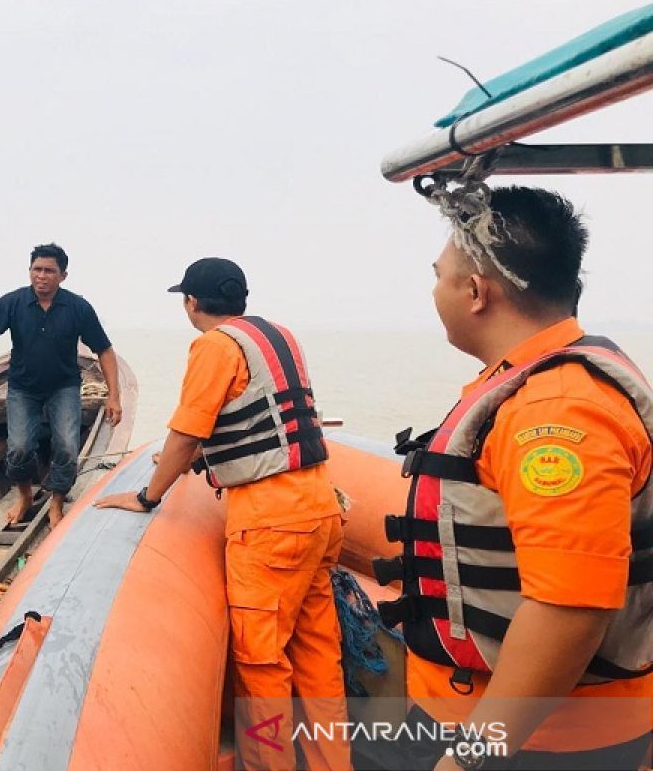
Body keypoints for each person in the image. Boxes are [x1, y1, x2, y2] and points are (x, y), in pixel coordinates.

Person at [375, 185, 653, 770]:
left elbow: (569, 610)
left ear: (476, 292)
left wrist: (472, 755)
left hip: (534, 742)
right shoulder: (534, 383)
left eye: (439, 276)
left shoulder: (554, 411)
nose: (434, 291)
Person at [95, 258, 349, 771]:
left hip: (270, 520)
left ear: (192, 303)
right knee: (320, 654)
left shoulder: (214, 346)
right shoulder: (279, 336)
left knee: (262, 662)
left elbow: (188, 431)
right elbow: (263, 421)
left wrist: (147, 495)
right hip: (321, 507)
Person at [0, 243, 121, 527]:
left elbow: (105, 352)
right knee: (20, 447)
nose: (42, 276)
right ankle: (25, 495)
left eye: (49, 271)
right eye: (36, 269)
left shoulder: (78, 307)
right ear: (29, 272)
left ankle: (56, 502)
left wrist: (114, 396)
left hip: (64, 387)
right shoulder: (11, 303)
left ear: (63, 275)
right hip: (23, 388)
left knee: (66, 447)